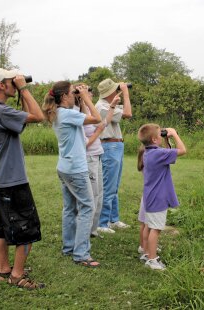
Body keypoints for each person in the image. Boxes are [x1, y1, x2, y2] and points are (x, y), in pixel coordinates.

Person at [0, 68, 45, 289]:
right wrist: (24, 90)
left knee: (0, 226)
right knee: (27, 227)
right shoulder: (0, 111)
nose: (16, 82)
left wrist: (20, 91)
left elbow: (24, 121)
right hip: (13, 180)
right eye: (12, 81)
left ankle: (3, 270)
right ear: (1, 85)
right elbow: (39, 116)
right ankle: (17, 276)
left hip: (0, 178)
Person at [42, 81, 102, 267]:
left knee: (69, 209)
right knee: (87, 208)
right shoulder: (66, 114)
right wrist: (85, 97)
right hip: (76, 169)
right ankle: (81, 254)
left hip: (64, 167)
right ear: (63, 97)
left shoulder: (61, 113)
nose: (74, 94)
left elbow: (82, 115)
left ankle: (69, 247)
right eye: (71, 92)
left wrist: (81, 100)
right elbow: (97, 118)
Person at [137, 124, 186, 270]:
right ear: (154, 139)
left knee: (148, 225)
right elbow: (183, 150)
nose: (162, 135)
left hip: (150, 196)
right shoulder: (157, 154)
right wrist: (175, 134)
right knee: (156, 229)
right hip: (158, 198)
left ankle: (146, 252)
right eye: (160, 134)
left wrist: (165, 139)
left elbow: (167, 153)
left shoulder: (149, 152)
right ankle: (152, 260)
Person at [73, 83, 119, 238]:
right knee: (91, 197)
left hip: (97, 156)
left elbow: (103, 122)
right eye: (86, 91)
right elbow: (83, 144)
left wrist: (112, 107)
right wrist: (98, 132)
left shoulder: (87, 110)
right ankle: (84, 231)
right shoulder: (77, 114)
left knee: (99, 194)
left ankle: (92, 230)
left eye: (89, 91)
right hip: (88, 158)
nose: (90, 93)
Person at [95, 78, 132, 233]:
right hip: (109, 146)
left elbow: (125, 111)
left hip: (116, 145)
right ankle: (102, 223)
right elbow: (128, 114)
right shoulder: (102, 106)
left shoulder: (110, 104)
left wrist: (121, 94)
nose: (117, 91)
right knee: (108, 186)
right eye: (115, 90)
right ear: (108, 93)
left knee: (114, 186)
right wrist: (125, 93)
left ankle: (113, 219)